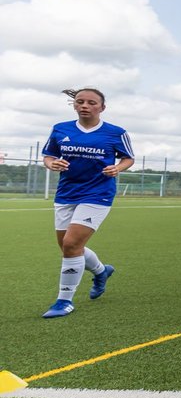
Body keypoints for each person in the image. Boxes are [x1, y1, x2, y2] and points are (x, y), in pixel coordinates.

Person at [39, 88, 135, 318]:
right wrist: (51, 164)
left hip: (97, 194)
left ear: (102, 107)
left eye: (91, 102)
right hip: (66, 193)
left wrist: (118, 168)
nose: (84, 105)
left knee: (72, 244)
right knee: (67, 246)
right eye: (80, 101)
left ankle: (64, 301)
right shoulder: (60, 129)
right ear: (74, 105)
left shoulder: (116, 132)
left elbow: (128, 158)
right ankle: (102, 272)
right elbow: (49, 155)